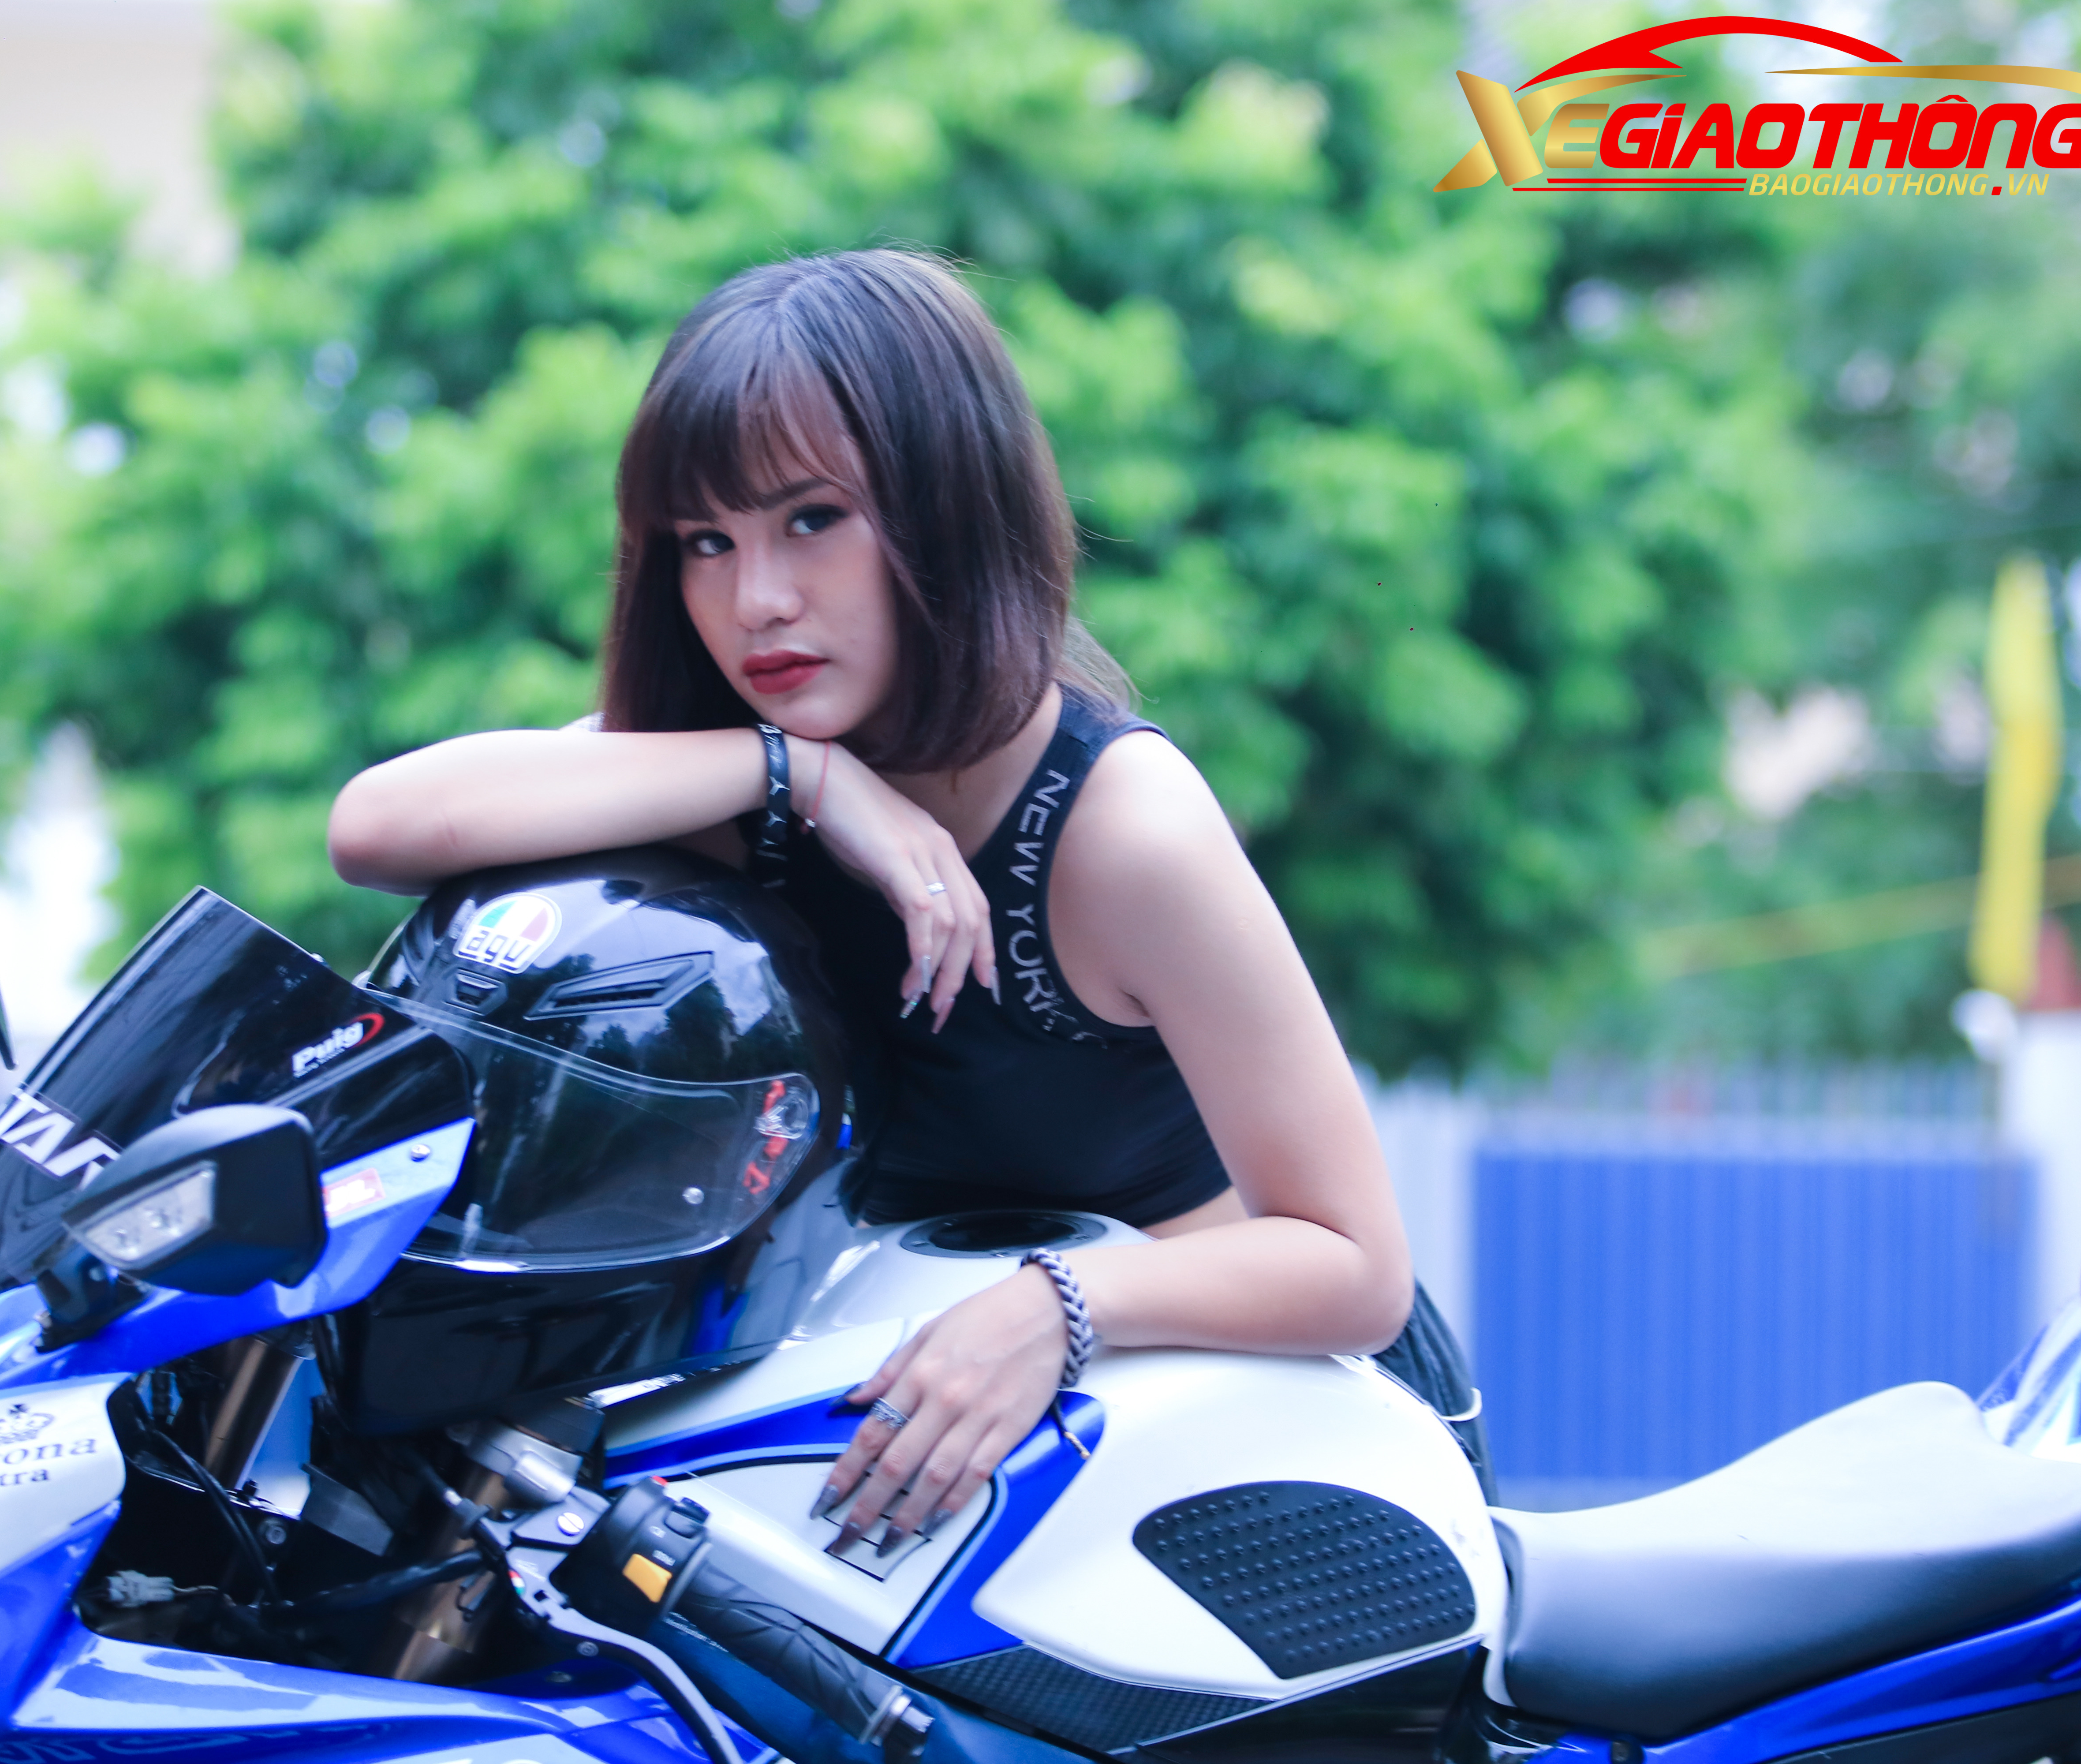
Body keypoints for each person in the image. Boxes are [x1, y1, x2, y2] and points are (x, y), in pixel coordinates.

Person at [329, 247, 1483, 1556]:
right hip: (957, 1476)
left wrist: (1056, 1307)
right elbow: (376, 828)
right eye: (707, 542)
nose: (757, 601)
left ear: (948, 508)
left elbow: (1354, 1263)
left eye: (812, 520)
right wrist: (800, 775)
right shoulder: (762, 776)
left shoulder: (1118, 826)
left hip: (1272, 1481)